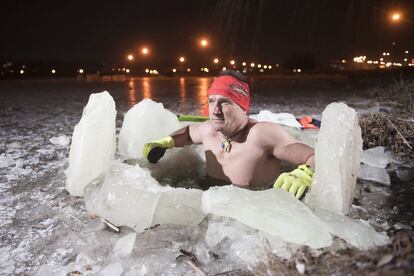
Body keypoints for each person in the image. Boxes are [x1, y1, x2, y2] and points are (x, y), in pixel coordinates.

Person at [143, 70, 315, 199]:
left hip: (254, 209)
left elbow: (315, 156)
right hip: (213, 201)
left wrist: (305, 173)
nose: (216, 110)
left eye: (225, 102)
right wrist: (166, 141)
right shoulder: (208, 130)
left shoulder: (261, 134)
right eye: (211, 101)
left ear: (243, 108)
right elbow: (188, 134)